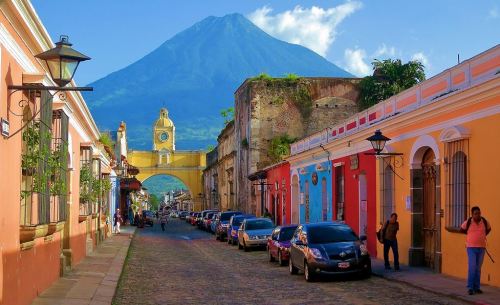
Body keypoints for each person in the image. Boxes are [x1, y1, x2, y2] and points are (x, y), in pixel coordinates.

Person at [460, 206, 491, 295]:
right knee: (472, 267)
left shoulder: (484, 222)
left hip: (481, 248)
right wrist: (470, 235)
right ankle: (470, 287)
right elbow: (461, 230)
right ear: (472, 214)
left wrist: (481, 236)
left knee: (478, 268)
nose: (478, 215)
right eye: (476, 214)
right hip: (471, 248)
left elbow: (488, 230)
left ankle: (477, 287)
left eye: (479, 213)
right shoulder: (468, 222)